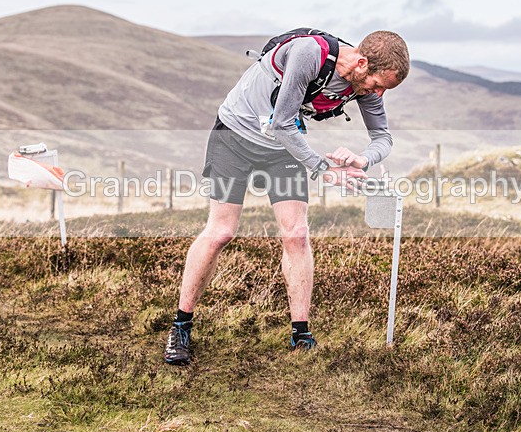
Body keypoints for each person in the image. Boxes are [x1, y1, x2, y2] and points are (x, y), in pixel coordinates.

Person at [164, 29, 410, 365]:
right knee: (221, 232)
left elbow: (383, 138)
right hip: (234, 137)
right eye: (378, 85)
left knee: (296, 234)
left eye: (385, 90)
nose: (378, 94)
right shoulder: (310, 53)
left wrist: (362, 159)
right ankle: (180, 326)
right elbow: (281, 121)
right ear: (362, 62)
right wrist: (322, 168)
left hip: (283, 150)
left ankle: (301, 335)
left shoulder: (363, 85)